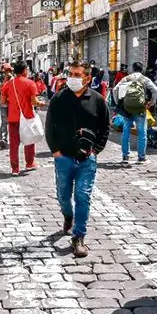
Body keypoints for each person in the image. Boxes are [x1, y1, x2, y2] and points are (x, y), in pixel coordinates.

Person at [45, 61, 110, 258]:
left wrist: (96, 150)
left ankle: (79, 236)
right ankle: (68, 215)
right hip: (63, 157)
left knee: (83, 195)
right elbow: (49, 127)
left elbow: (105, 127)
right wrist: (55, 151)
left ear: (87, 78)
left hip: (87, 160)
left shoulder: (98, 100)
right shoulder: (58, 98)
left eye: (77, 74)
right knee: (63, 195)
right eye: (70, 74)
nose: (72, 77)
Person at [1, 61, 43, 176]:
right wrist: (41, 104)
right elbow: (34, 102)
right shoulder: (30, 83)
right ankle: (30, 163)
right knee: (29, 140)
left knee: (14, 143)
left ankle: (15, 168)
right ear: (25, 70)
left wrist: (12, 102)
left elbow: (3, 102)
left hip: (13, 117)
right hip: (27, 116)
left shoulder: (8, 84)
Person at [114, 62, 157, 166]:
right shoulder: (144, 79)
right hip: (140, 109)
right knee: (142, 133)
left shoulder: (126, 78)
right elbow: (155, 90)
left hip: (127, 109)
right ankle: (141, 158)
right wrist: (151, 103)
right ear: (142, 69)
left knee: (126, 132)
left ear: (133, 69)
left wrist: (118, 103)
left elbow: (115, 89)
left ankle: (125, 157)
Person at [0, 65, 12, 149]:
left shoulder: (13, 78)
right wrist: (6, 81)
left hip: (13, 103)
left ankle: (13, 139)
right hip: (3, 103)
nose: (8, 73)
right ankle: (3, 139)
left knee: (13, 122)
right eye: (6, 71)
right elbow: (0, 89)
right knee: (4, 121)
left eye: (9, 71)